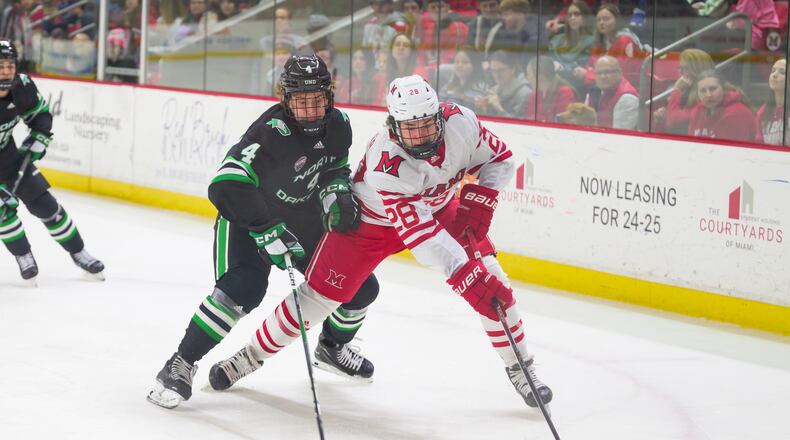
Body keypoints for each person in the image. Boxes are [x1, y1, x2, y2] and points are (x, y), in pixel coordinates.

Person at [208, 74, 554, 411]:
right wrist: (464, 275)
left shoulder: (461, 121)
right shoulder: (386, 166)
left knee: (493, 280)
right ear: (393, 125)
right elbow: (423, 240)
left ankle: (521, 366)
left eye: (427, 124)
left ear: (439, 115)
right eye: (410, 128)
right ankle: (249, 357)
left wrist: (484, 194)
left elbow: (501, 158)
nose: (420, 136)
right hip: (371, 224)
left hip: (437, 207)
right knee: (318, 299)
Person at [147, 55, 380, 409]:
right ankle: (179, 364)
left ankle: (332, 348)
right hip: (246, 216)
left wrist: (336, 196)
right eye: (301, 101)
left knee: (361, 286)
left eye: (317, 99)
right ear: (285, 99)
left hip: (300, 216)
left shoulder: (339, 125)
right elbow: (225, 185)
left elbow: (334, 170)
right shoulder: (270, 132)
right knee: (244, 289)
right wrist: (265, 228)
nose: (310, 108)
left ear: (329, 96)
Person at [0, 40, 104, 283]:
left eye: (9, 65)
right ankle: (23, 255)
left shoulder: (22, 86)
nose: (6, 71)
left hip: (11, 159)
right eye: (0, 66)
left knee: (46, 207)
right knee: (3, 212)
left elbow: (39, 116)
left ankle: (79, 252)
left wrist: (39, 138)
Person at [574, 4, 646, 92]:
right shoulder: (599, 42)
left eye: (606, 19)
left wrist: (587, 75)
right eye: (599, 20)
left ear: (617, 20)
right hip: (602, 89)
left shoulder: (625, 40)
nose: (601, 23)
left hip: (629, 91)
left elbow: (619, 76)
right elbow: (590, 66)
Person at [653, 48, 714, 135]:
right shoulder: (685, 91)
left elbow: (673, 121)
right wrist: (661, 120)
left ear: (696, 70)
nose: (680, 72)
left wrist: (676, 90)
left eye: (684, 69)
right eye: (679, 68)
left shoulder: (707, 95)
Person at [688, 69, 759, 143]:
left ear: (724, 89)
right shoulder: (697, 111)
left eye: (713, 89)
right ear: (697, 93)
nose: (708, 95)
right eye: (703, 91)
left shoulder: (737, 113)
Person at [548, 0, 594, 95]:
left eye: (577, 14)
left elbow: (579, 69)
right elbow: (549, 60)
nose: (572, 18)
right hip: (552, 85)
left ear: (585, 17)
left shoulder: (591, 41)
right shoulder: (556, 40)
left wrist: (560, 67)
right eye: (570, 15)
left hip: (576, 87)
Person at [584, 55, 638, 130]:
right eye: (599, 73)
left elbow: (618, 135)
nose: (603, 77)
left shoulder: (627, 98)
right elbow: (584, 123)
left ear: (619, 73)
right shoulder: (593, 91)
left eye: (607, 72)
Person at [476, 49, 531, 118]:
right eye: (494, 71)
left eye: (501, 70)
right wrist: (483, 107)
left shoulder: (524, 94)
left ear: (513, 69)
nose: (497, 75)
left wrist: (499, 109)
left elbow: (519, 125)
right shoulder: (493, 91)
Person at [524, 56, 577, 123]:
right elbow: (529, 119)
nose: (527, 78)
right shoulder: (534, 94)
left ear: (540, 77)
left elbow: (563, 121)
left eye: (529, 74)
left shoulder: (564, 93)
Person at [438, 45, 488, 111]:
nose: (459, 65)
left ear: (475, 65)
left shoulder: (480, 87)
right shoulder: (451, 83)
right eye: (457, 61)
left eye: (465, 62)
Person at [756, 59, 788, 146]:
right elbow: (759, 146)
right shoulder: (762, 112)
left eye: (782, 72)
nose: (774, 75)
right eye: (773, 71)